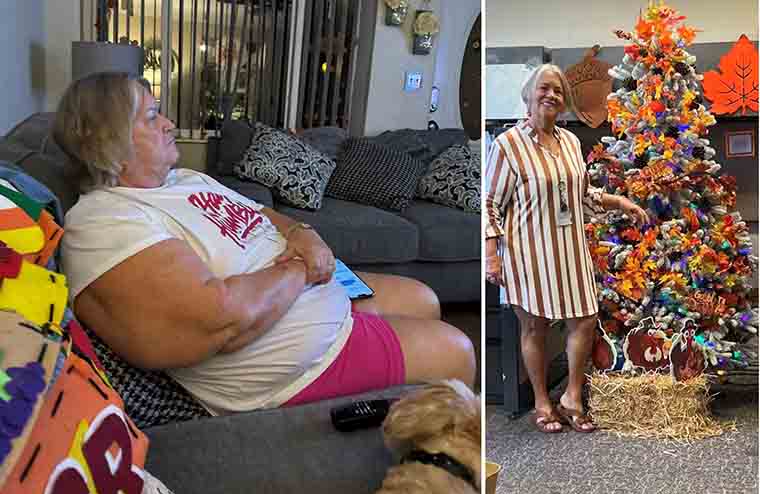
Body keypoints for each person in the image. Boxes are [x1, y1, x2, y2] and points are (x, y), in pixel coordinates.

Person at [54, 72, 476, 416]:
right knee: (458, 351)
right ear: (108, 139)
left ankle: (413, 412)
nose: (167, 124)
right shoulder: (104, 220)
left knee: (424, 298)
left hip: (311, 289)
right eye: (151, 117)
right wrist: (300, 267)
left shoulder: (183, 179)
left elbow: (260, 213)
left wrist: (301, 234)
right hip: (293, 360)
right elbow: (217, 319)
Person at [484, 64, 648, 433]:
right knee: (535, 327)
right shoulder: (508, 145)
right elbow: (490, 203)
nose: (552, 95)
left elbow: (580, 196)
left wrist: (619, 203)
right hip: (528, 249)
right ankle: (543, 402)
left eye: (559, 90)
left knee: (585, 318)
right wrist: (492, 254)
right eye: (545, 88)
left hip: (570, 247)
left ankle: (572, 396)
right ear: (529, 95)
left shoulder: (572, 142)